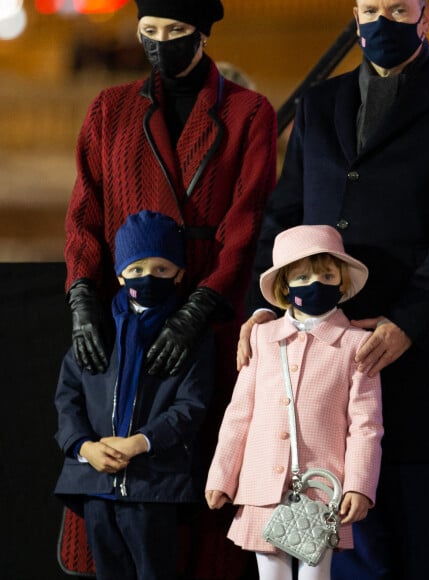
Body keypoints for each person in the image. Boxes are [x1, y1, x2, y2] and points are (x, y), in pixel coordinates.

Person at [238, 1, 429, 578]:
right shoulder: (318, 103)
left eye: (396, 8)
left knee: (420, 517)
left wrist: (408, 321)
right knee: (328, 524)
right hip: (318, 352)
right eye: (369, 8)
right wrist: (267, 307)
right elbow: (283, 215)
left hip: (415, 349)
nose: (380, 19)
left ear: (426, 17)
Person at [63, 3, 276, 575]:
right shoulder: (109, 109)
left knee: (204, 451)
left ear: (203, 34)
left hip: (210, 314)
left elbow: (247, 220)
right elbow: (84, 212)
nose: (160, 44)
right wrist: (83, 297)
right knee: (117, 458)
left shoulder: (248, 111)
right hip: (123, 315)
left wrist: (202, 305)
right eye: (149, 33)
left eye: (176, 32)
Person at [206, 225, 383, 580]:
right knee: (270, 574)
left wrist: (359, 485)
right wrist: (222, 475)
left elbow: (366, 425)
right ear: (285, 286)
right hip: (261, 486)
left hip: (323, 487)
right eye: (302, 275)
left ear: (342, 282)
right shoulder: (263, 336)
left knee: (317, 575)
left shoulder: (356, 343)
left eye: (327, 274)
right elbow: (239, 413)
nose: (315, 282)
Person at [54, 210, 215, 580]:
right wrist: (83, 446)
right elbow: (68, 397)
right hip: (94, 482)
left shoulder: (192, 337)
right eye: (138, 268)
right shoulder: (96, 328)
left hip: (154, 488)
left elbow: (191, 406)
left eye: (162, 269)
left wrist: (142, 442)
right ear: (120, 274)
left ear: (179, 273)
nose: (149, 277)